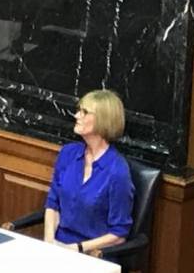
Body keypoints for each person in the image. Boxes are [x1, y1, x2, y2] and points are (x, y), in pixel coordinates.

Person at [44, 89, 135, 255]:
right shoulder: (68, 154)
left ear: (103, 120)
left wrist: (77, 248)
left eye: (84, 112)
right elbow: (53, 203)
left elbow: (119, 234)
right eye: (79, 110)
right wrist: (49, 243)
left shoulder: (117, 171)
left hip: (93, 254)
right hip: (58, 248)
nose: (77, 116)